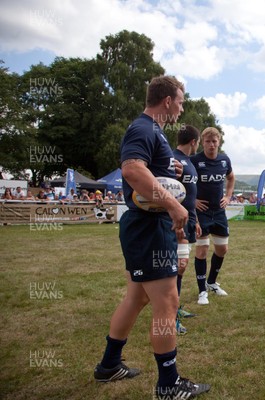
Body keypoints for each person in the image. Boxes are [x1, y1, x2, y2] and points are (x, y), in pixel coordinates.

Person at [92, 75, 210, 398]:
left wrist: (172, 171)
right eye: (181, 101)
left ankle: (109, 365)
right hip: (148, 228)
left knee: (137, 297)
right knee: (168, 302)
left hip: (145, 227)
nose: (182, 108)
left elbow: (148, 169)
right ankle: (169, 384)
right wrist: (173, 204)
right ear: (168, 101)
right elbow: (131, 170)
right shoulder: (143, 127)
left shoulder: (155, 132)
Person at [191, 127, 235, 305]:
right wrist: (192, 201)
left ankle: (211, 282)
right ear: (202, 142)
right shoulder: (195, 161)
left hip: (219, 212)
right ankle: (202, 291)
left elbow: (231, 178)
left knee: (222, 249)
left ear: (219, 142)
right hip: (201, 212)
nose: (211, 145)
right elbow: (181, 183)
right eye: (208, 141)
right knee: (202, 250)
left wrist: (228, 196)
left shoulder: (224, 160)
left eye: (214, 141)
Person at [172, 124, 201, 333]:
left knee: (181, 266)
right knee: (178, 266)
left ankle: (175, 308)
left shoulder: (189, 163)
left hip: (190, 219)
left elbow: (190, 195)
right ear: (194, 142)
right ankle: (170, 316)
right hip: (177, 221)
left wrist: (196, 220)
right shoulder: (172, 160)